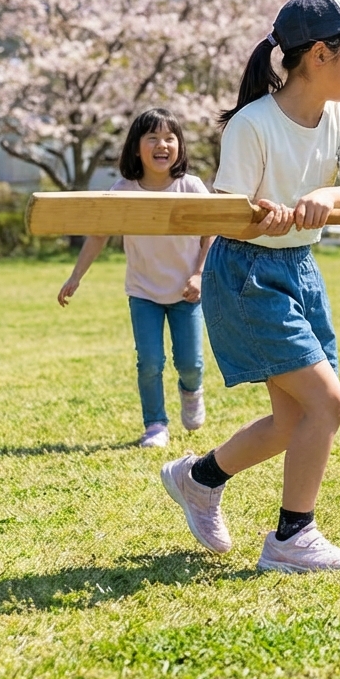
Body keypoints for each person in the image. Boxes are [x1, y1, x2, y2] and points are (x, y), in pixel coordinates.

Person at [161, 0, 340, 574]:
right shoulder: (253, 125)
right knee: (327, 403)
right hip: (246, 274)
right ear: (320, 53)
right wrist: (254, 211)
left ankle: (199, 478)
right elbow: (227, 211)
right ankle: (293, 539)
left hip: (300, 269)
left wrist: (324, 196)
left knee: (294, 419)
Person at [58, 108, 212, 448]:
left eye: (170, 138)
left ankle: (191, 390)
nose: (162, 145)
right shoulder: (123, 189)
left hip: (187, 291)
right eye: (153, 138)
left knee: (190, 362)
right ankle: (155, 425)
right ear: (136, 147)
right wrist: (76, 276)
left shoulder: (191, 186)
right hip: (143, 292)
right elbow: (99, 234)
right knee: (150, 362)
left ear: (180, 146)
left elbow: (209, 234)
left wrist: (200, 275)